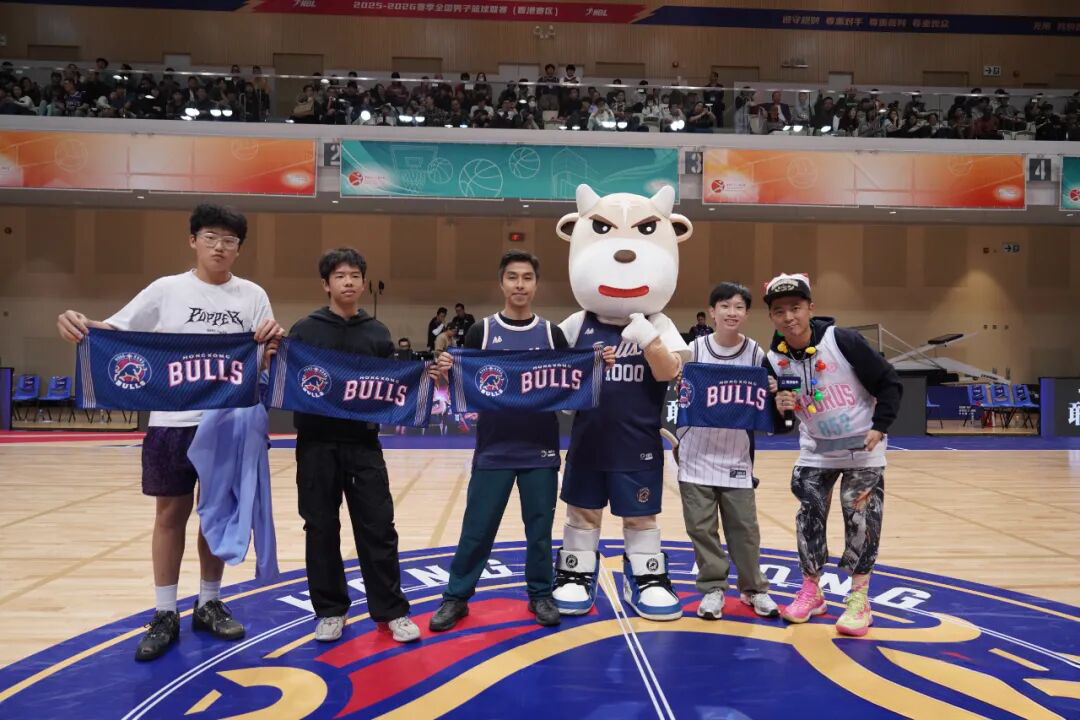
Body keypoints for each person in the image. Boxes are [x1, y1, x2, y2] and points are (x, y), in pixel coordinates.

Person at [56, 204, 283, 661]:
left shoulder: (253, 295)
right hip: (171, 423)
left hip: (229, 423)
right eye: (211, 237)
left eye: (230, 241)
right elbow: (113, 331)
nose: (219, 247)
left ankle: (208, 601)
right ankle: (164, 612)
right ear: (193, 240)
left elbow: (262, 360)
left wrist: (270, 347)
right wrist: (79, 325)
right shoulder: (167, 290)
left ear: (239, 248)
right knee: (169, 516)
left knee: (217, 514)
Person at [429, 251, 604, 631]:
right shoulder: (482, 331)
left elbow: (571, 384)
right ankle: (456, 597)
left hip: (540, 449)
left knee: (539, 532)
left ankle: (540, 594)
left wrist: (596, 365)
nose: (520, 284)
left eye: (527, 277)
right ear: (502, 283)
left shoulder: (552, 334)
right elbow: (463, 386)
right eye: (513, 277)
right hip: (493, 449)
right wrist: (445, 372)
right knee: (477, 530)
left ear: (536, 284)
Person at [286, 248, 420, 644]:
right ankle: (330, 611)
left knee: (378, 527)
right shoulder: (304, 330)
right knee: (320, 528)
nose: (348, 282)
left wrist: (425, 376)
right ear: (325, 284)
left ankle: (391, 611)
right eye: (340, 275)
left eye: (355, 276)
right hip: (316, 444)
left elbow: (394, 384)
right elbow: (287, 378)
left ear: (363, 283)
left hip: (363, 444)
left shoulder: (377, 333)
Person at [763, 273, 903, 637]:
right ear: (771, 316)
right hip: (816, 451)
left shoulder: (843, 341)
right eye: (780, 311)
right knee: (808, 516)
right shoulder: (773, 360)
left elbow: (889, 382)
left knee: (861, 519)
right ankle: (812, 590)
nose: (789, 317)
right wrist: (779, 408)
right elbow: (778, 424)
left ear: (811, 308)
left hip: (862, 449)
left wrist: (880, 426)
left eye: (796, 308)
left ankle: (859, 597)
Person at [676, 283, 779, 619]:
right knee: (701, 529)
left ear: (746, 314)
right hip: (695, 454)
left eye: (738, 307)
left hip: (736, 457)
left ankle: (754, 589)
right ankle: (713, 589)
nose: (731, 313)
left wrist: (772, 387)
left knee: (745, 530)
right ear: (712, 312)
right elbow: (678, 388)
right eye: (725, 306)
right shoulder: (694, 350)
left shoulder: (756, 354)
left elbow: (771, 399)